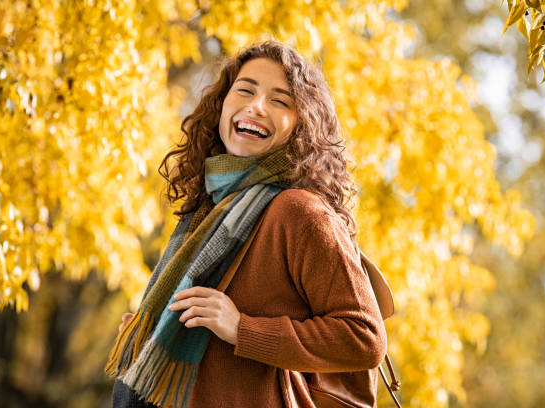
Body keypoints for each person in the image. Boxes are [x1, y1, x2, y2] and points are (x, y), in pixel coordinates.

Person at [106, 40, 387, 408]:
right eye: (245, 90)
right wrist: (156, 333)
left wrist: (242, 329)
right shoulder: (209, 210)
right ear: (223, 104)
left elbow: (364, 336)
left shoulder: (299, 212)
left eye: (279, 100)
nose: (256, 107)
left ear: (301, 126)